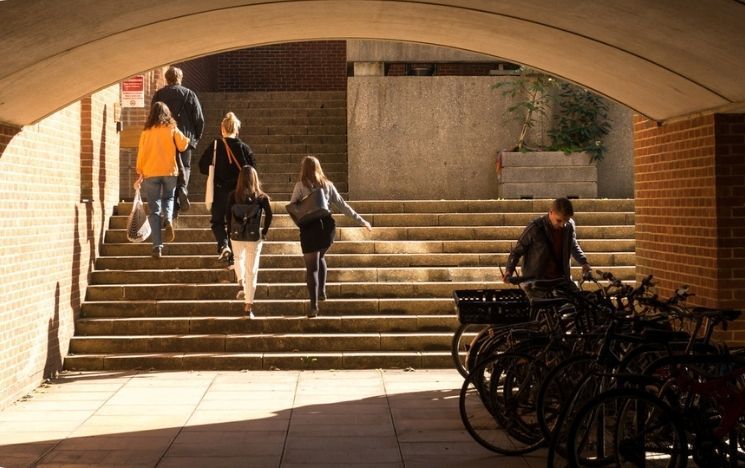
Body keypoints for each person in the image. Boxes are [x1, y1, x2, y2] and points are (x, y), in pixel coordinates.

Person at [289, 156, 372, 318]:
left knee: (311, 267)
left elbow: (292, 207)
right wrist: (362, 221)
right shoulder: (328, 185)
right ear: (319, 168)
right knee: (320, 256)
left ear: (303, 169)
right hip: (327, 228)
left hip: (309, 229)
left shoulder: (300, 186)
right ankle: (322, 291)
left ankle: (314, 307)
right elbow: (342, 205)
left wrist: (300, 219)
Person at [198, 112, 256, 268]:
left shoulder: (216, 145)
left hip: (220, 191)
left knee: (217, 222)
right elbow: (252, 170)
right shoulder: (244, 148)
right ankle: (233, 256)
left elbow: (202, 166)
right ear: (236, 130)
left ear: (222, 129)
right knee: (234, 223)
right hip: (238, 193)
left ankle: (224, 246)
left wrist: (215, 170)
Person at [502, 197, 591, 296]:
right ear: (551, 212)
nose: (563, 225)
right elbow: (517, 251)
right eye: (559, 220)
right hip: (537, 282)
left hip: (561, 280)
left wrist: (584, 262)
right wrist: (509, 271)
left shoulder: (569, 226)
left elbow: (573, 245)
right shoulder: (535, 228)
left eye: (566, 221)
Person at [134, 102, 189, 258]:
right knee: (169, 197)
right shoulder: (171, 128)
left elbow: (141, 154)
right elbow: (184, 145)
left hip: (150, 172)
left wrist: (140, 172)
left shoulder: (146, 132)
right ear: (167, 114)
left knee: (153, 209)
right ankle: (169, 219)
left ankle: (157, 246)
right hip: (169, 171)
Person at [151, 66, 205, 217]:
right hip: (184, 138)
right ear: (180, 78)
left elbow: (153, 117)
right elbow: (199, 120)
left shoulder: (159, 95)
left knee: (167, 171)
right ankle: (182, 188)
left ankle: (171, 209)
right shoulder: (190, 94)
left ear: (167, 79)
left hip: (164, 138)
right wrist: (195, 139)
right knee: (185, 167)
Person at [227, 166, 273, 319]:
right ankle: (248, 308)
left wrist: (229, 234)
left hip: (236, 235)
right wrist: (264, 231)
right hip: (254, 237)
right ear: (255, 178)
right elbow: (270, 215)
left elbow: (227, 216)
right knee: (252, 271)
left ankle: (240, 281)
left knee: (238, 259)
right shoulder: (261, 197)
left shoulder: (233, 196)